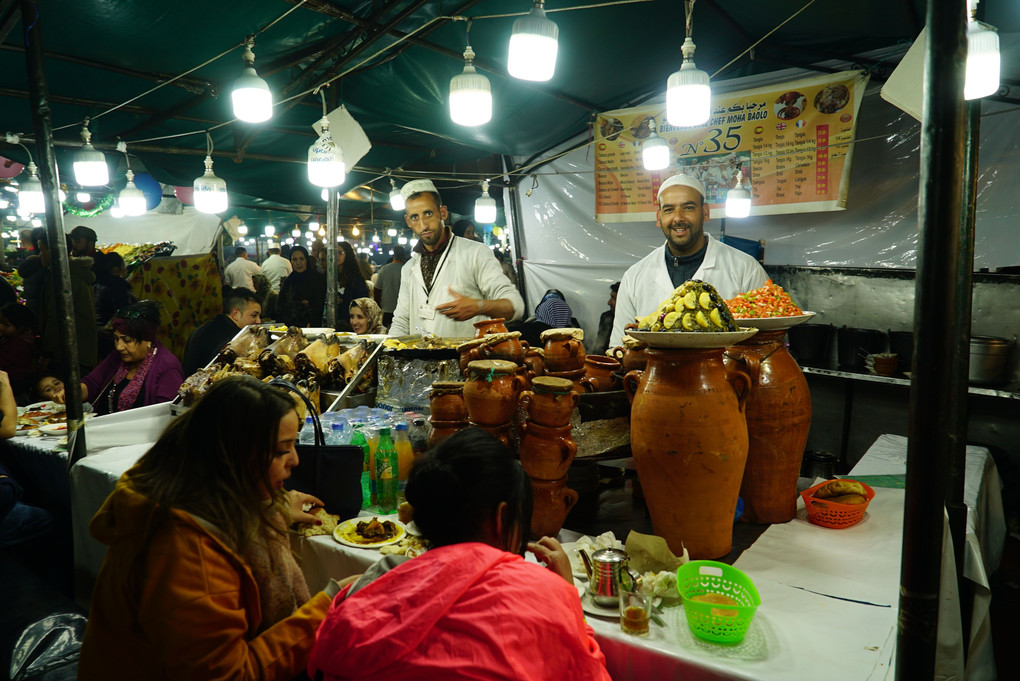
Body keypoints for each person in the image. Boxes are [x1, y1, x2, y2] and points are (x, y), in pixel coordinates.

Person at [78, 376, 339, 680]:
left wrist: (275, 509)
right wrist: (328, 607)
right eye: (281, 450)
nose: (295, 460)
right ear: (233, 456)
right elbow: (228, 674)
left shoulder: (190, 494)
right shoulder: (185, 549)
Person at [308, 428, 611, 681]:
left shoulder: (372, 588)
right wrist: (570, 599)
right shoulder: (546, 593)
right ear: (501, 517)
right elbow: (590, 672)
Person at [611, 173, 768, 347]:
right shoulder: (634, 276)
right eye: (669, 209)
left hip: (726, 373)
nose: (678, 218)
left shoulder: (745, 269)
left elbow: (768, 344)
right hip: (655, 374)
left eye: (688, 207)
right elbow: (619, 347)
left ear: (705, 213)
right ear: (658, 217)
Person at [390, 179, 524, 337]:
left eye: (428, 213)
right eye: (414, 217)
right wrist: (388, 351)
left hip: (467, 359)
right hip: (421, 360)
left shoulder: (476, 252)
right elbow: (401, 320)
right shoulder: (409, 268)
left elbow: (516, 305)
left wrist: (479, 306)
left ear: (443, 213)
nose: (423, 225)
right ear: (408, 221)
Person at [52, 301, 183, 416]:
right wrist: (72, 393)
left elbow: (166, 414)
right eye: (116, 339)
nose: (119, 346)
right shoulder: (117, 358)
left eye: (127, 340)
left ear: (147, 341)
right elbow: (91, 384)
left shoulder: (166, 366)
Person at [36, 229, 98, 374]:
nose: (40, 255)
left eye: (41, 250)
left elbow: (56, 318)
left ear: (53, 251)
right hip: (82, 352)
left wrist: (47, 354)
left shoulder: (61, 278)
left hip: (67, 353)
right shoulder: (77, 274)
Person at [182, 288, 262, 376]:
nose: (258, 321)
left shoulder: (204, 328)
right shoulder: (234, 339)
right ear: (236, 314)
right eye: (254, 315)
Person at [93, 251, 137, 358]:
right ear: (115, 269)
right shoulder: (119, 285)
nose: (125, 269)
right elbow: (124, 311)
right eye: (123, 266)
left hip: (96, 335)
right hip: (111, 337)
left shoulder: (95, 284)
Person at [277, 246, 326, 328]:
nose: (298, 263)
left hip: (312, 327)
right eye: (294, 259)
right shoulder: (289, 281)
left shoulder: (317, 279)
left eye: (301, 259)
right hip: (291, 328)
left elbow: (318, 307)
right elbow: (280, 306)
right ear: (291, 261)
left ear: (306, 259)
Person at [0, 302, 37, 397]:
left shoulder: (19, 343)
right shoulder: (10, 338)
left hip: (17, 384)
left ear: (20, 327)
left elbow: (3, 361)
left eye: (6, 325)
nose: (1, 327)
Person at [335, 241, 369, 332]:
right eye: (334, 253)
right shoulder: (331, 276)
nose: (337, 256)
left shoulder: (355, 278)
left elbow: (362, 302)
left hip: (351, 324)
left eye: (340, 253)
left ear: (347, 254)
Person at [374, 245, 407, 328]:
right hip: (403, 310)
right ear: (404, 256)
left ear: (393, 256)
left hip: (387, 309)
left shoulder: (384, 269)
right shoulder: (406, 269)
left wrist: (378, 306)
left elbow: (377, 289)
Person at [592, 281, 619, 356]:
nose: (609, 302)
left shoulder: (634, 321)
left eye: (613, 298)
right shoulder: (606, 317)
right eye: (611, 296)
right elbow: (600, 346)